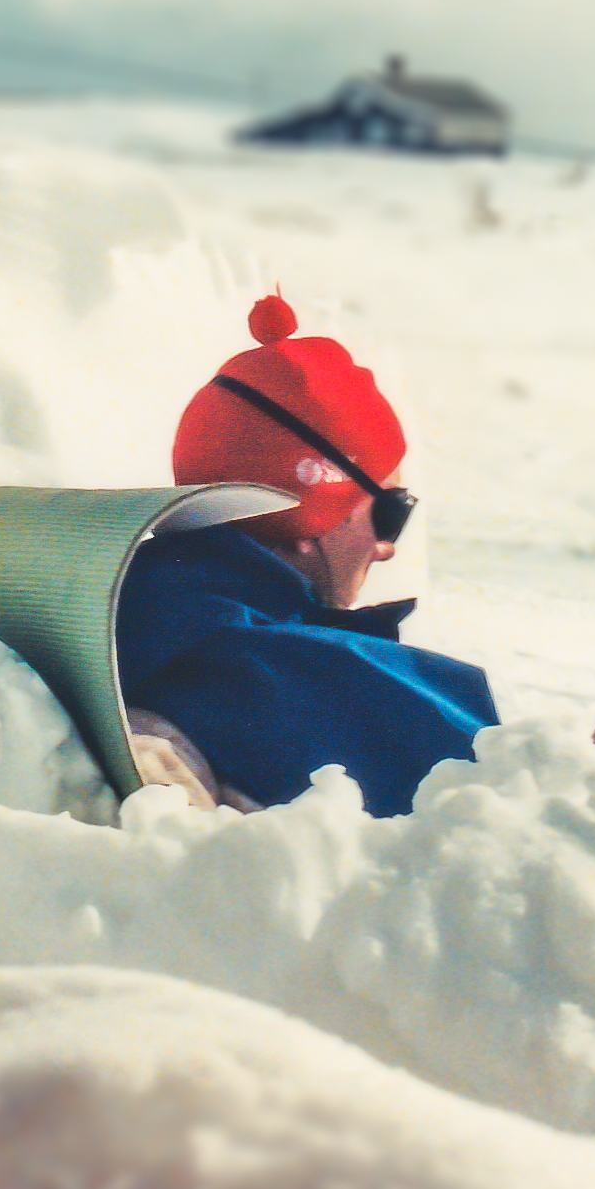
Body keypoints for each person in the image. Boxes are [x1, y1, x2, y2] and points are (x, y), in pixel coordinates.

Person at [115, 293, 497, 816]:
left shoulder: (118, 611)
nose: (385, 550)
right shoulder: (332, 684)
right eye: (389, 513)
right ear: (312, 511)